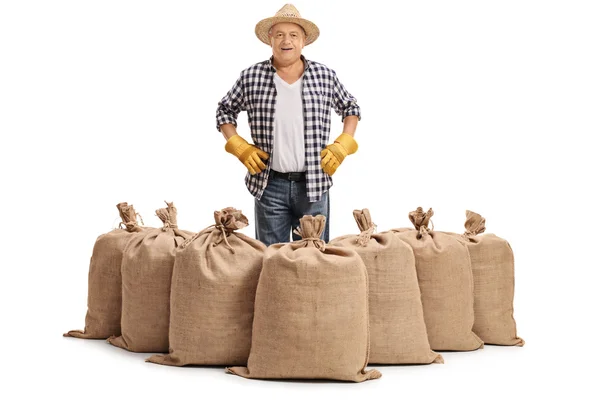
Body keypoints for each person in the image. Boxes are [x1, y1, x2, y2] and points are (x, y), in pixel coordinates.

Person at [216, 3, 361, 246]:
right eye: (280, 34)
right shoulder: (251, 77)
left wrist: (343, 143)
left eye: (294, 34)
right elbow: (224, 110)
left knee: (314, 257)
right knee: (270, 257)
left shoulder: (325, 76)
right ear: (270, 39)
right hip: (269, 184)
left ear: (303, 40)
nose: (287, 40)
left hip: (314, 183)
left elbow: (351, 108)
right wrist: (239, 146)